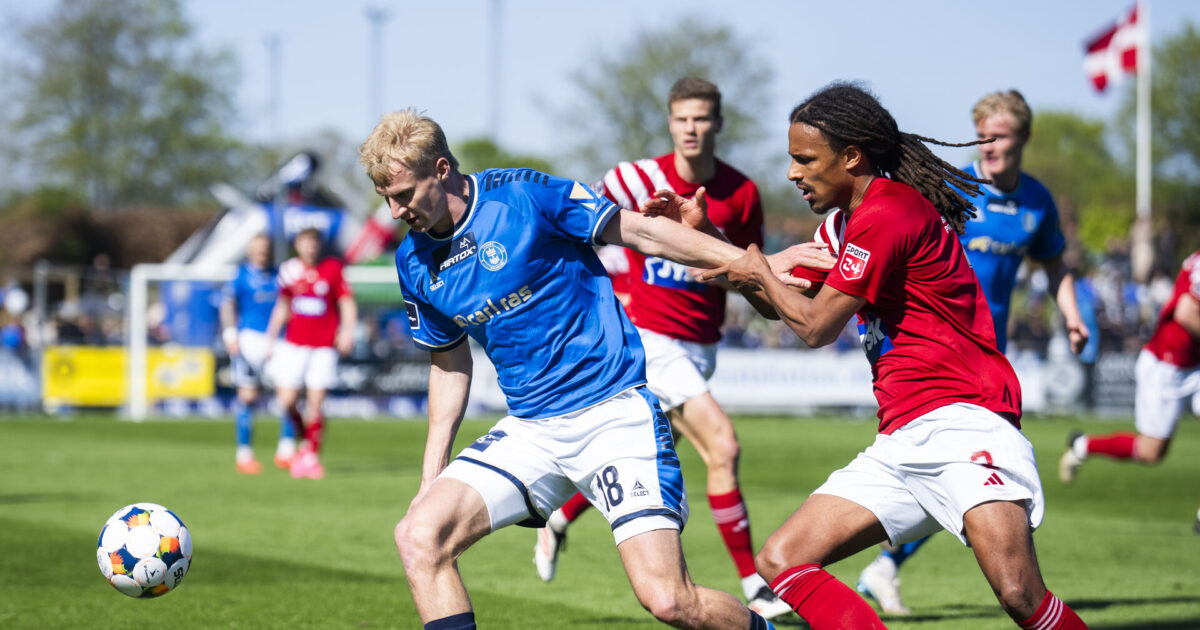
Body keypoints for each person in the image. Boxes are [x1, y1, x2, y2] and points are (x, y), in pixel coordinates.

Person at [359, 109, 786, 630]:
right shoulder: (413, 262)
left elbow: (640, 232)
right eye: (386, 197)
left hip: (613, 415)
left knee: (670, 600)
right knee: (419, 535)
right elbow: (448, 363)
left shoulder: (524, 195)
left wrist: (747, 262)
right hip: (531, 430)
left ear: (442, 170)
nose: (396, 209)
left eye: (404, 194)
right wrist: (432, 475)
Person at [695, 82, 1087, 629]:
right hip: (902, 437)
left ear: (852, 156)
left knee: (1020, 594)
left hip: (964, 420)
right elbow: (783, 306)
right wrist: (717, 243)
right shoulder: (841, 224)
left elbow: (814, 327)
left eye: (804, 159)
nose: (791, 173)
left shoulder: (891, 211)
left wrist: (756, 268)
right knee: (783, 559)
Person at [530, 77, 788, 619]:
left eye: (701, 118)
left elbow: (747, 270)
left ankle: (559, 518)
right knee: (723, 446)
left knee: (643, 448)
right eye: (682, 119)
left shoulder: (741, 192)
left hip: (701, 344)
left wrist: (721, 270)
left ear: (718, 123)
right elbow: (585, 224)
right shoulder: (636, 177)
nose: (691, 128)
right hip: (650, 337)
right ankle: (756, 585)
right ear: (670, 123)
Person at [855, 89, 1091, 615]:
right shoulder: (949, 186)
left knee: (972, 475)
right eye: (982, 133)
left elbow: (1054, 264)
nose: (989, 145)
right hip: (937, 354)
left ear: (1023, 139)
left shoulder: (1036, 203)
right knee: (977, 475)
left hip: (987, 361)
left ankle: (882, 567)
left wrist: (1071, 315)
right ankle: (1019, 596)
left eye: (1000, 135)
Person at [1059, 250, 1200, 531]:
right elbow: (1186, 312)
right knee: (1151, 452)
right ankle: (1083, 445)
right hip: (1167, 364)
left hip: (1195, 364)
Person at [264, 227, 358, 480]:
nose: (310, 247)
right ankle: (305, 442)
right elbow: (283, 305)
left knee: (316, 403)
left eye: (314, 243)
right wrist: (270, 338)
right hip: (294, 344)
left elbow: (346, 302)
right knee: (286, 400)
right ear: (298, 244)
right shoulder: (289, 270)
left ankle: (311, 456)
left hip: (323, 347)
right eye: (306, 242)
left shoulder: (332, 268)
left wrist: (347, 331)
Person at [219, 233, 300, 474]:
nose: (262, 253)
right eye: (258, 249)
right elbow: (227, 306)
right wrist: (230, 334)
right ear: (250, 251)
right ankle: (244, 455)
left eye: (266, 248)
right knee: (248, 397)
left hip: (278, 342)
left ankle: (286, 452)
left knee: (289, 396)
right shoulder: (240, 277)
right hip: (248, 341)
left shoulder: (279, 275)